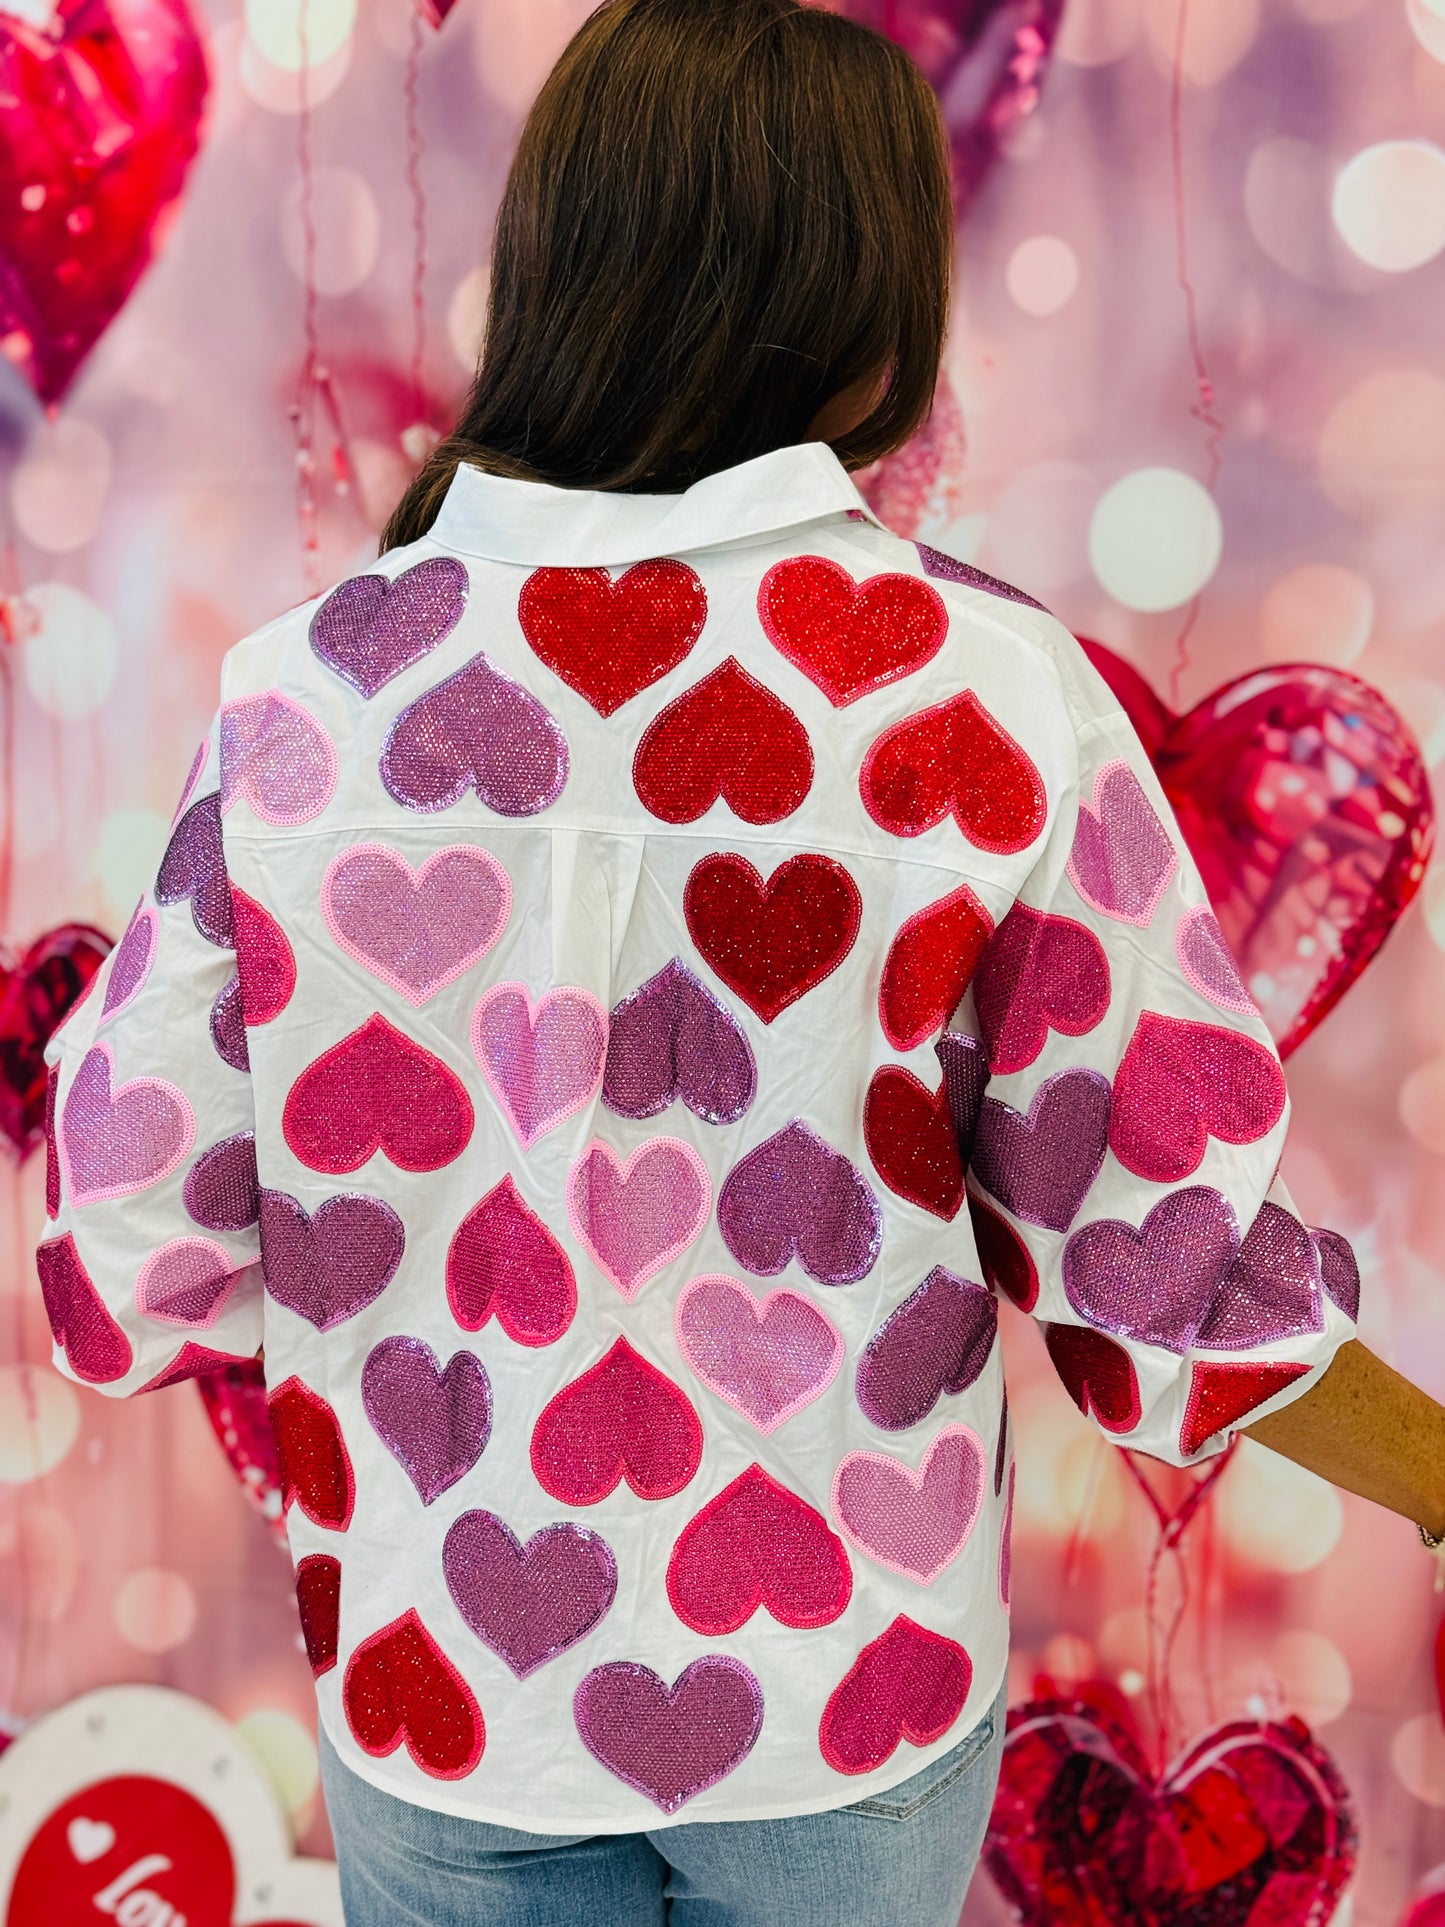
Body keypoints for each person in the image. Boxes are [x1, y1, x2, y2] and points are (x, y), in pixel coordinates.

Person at [36, 0, 1445, 1921]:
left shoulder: (310, 698)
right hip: (842, 1709)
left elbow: (134, 1244)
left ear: (560, 274)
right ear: (871, 305)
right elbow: (1165, 1262)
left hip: (444, 1695)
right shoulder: (985, 698)